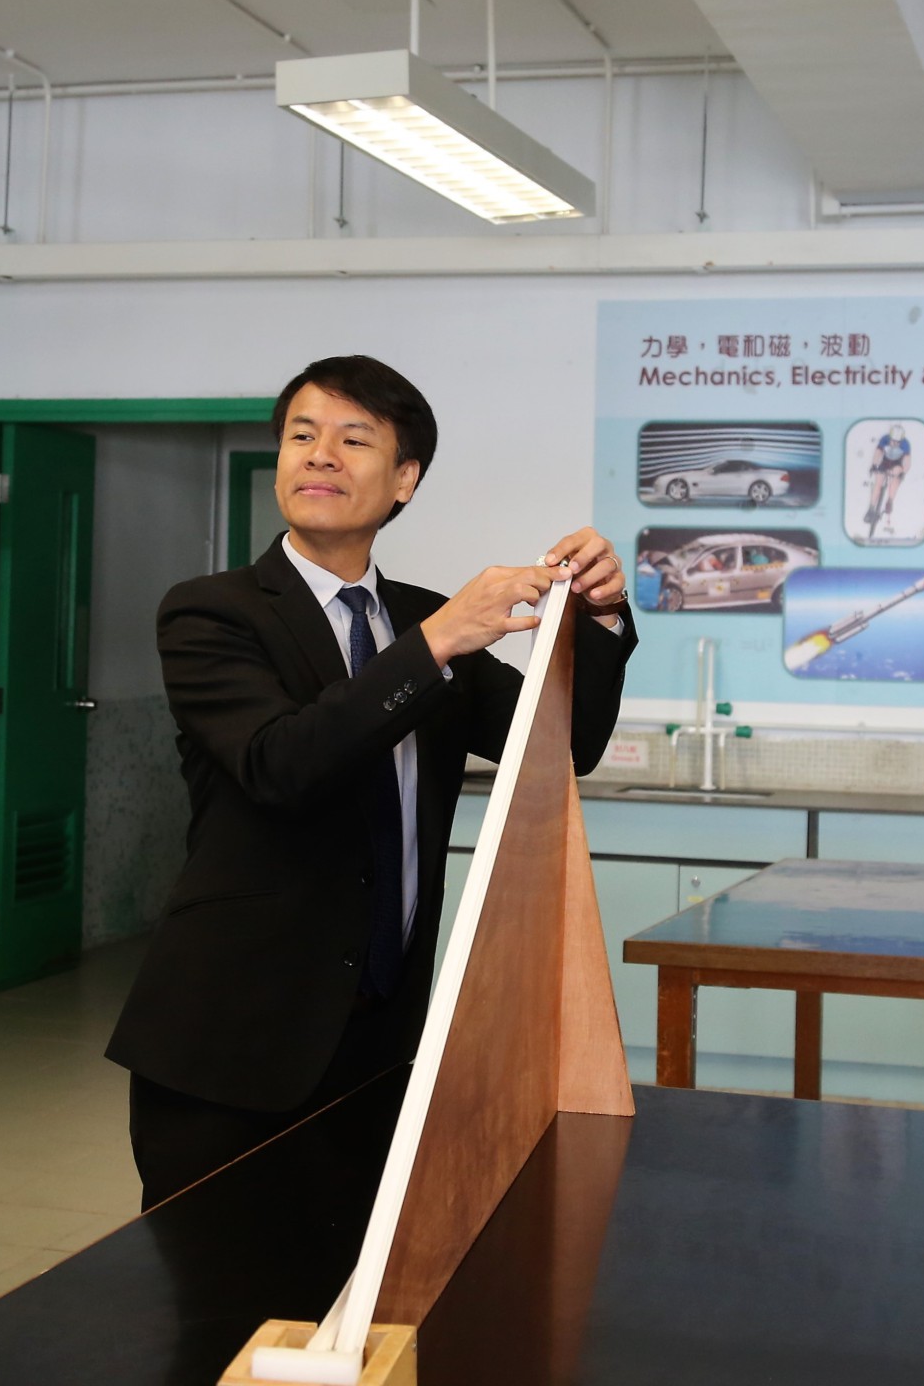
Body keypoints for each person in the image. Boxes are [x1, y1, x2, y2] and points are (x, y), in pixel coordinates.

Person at [106, 355, 636, 1208]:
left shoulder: (423, 619)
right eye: (302, 436)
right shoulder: (212, 611)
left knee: (357, 1272)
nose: (320, 454)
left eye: (354, 440)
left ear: (404, 480)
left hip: (382, 1039)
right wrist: (438, 643)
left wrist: (602, 616)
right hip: (233, 1042)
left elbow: (566, 745)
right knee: (213, 1281)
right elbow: (281, 764)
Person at [864, 423, 912, 534]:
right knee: (878, 483)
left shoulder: (906, 444)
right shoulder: (884, 439)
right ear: (889, 437)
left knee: (896, 476)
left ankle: (890, 501)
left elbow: (907, 461)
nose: (895, 444)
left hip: (897, 463)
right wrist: (874, 465)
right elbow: (878, 452)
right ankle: (871, 509)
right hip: (885, 462)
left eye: (898, 442)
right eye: (893, 441)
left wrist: (903, 472)